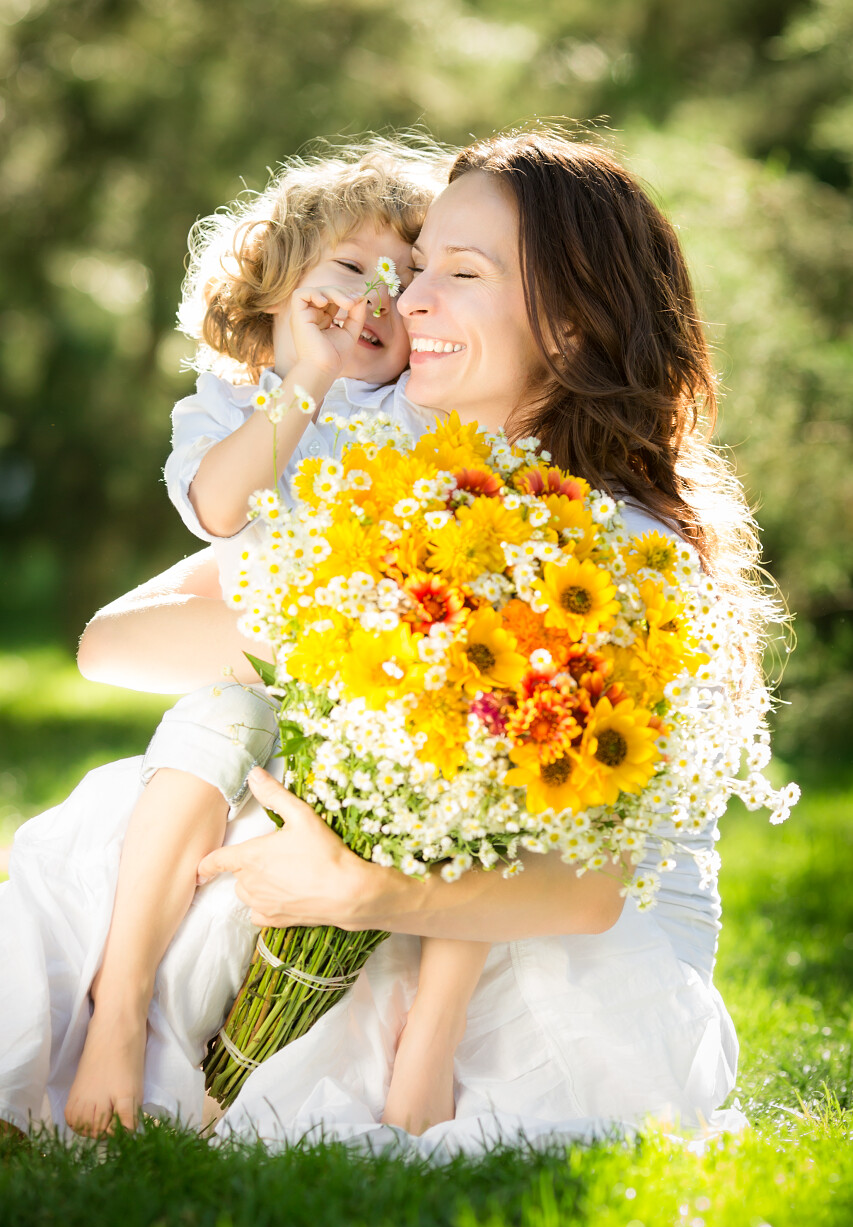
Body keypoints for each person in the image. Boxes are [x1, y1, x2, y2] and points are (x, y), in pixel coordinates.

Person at [2, 128, 774, 1152]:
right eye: (416, 271)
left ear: (576, 324)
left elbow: (585, 894)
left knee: (317, 893)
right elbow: (114, 647)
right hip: (387, 867)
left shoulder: (628, 555)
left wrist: (364, 887)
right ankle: (115, 1031)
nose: (407, 302)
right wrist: (372, 627)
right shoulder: (388, 481)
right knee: (160, 807)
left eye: (458, 273)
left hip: (549, 942)